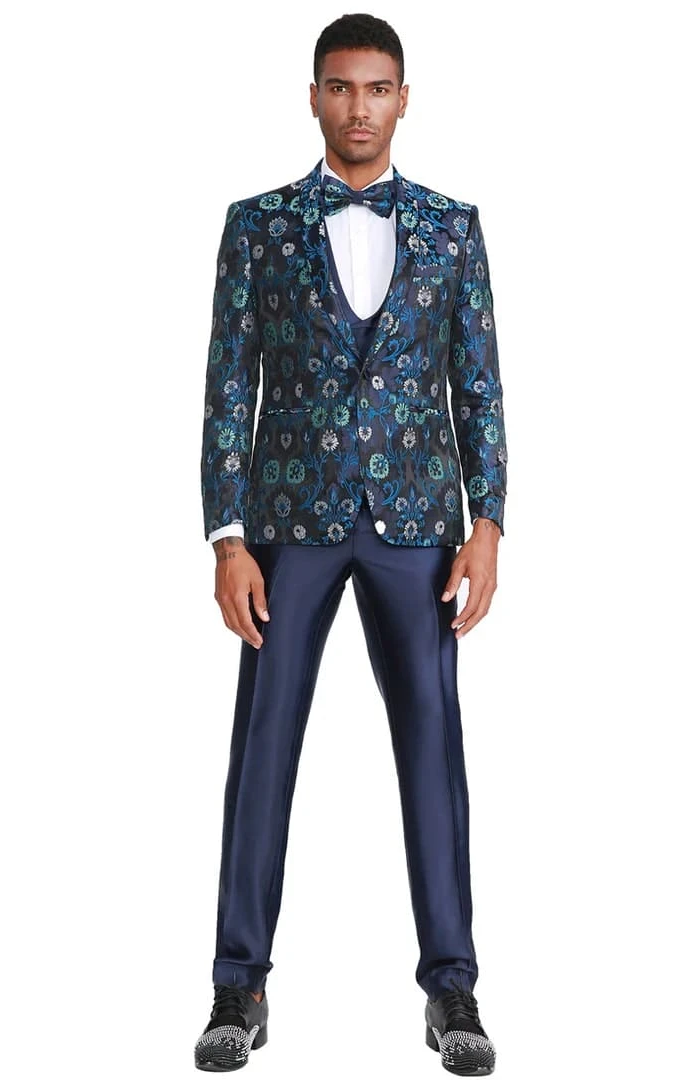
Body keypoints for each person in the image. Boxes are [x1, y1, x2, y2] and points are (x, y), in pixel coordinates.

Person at [194, 12, 507, 1075]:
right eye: (340, 87)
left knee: (432, 749)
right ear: (314, 97)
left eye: (377, 88)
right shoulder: (257, 225)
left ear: (404, 99)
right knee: (263, 747)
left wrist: (488, 525)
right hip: (287, 525)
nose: (358, 107)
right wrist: (227, 537)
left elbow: (479, 385)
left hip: (419, 527)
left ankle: (452, 989)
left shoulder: (454, 228)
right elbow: (228, 386)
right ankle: (238, 984)